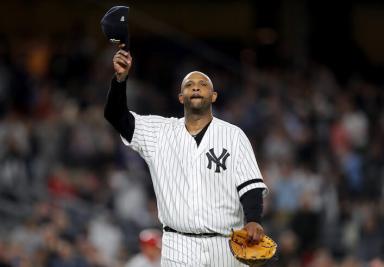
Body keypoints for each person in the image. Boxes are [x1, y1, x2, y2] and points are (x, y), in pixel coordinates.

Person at [104, 44, 268, 266]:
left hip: (227, 245)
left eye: (203, 85)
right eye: (189, 85)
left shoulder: (233, 135)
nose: (196, 88)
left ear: (214, 96)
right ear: (181, 97)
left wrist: (254, 220)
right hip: (178, 245)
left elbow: (250, 185)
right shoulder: (159, 132)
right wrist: (120, 80)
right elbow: (116, 116)